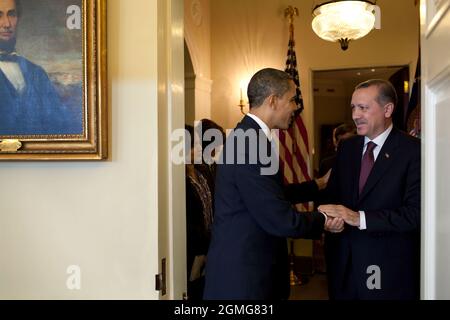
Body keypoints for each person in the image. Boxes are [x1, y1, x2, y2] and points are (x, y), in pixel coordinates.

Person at [203, 68, 343, 300]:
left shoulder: (250, 137)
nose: (296, 107)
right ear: (273, 100)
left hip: (250, 269)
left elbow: (270, 194)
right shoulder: (249, 144)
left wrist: (316, 185)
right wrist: (324, 219)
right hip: (244, 279)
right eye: (292, 99)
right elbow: (279, 218)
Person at [319, 79, 421, 300]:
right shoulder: (347, 147)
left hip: (387, 270)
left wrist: (359, 218)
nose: (355, 115)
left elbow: (415, 214)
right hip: (344, 266)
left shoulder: (413, 151)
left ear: (388, 109)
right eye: (353, 108)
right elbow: (334, 198)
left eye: (363, 108)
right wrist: (331, 221)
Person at [0, 0, 76, 136]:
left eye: (12, 15)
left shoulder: (37, 73)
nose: (7, 24)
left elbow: (60, 126)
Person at [185, 125, 214, 300]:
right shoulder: (178, 179)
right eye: (194, 145)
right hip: (193, 252)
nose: (200, 148)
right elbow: (187, 221)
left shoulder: (202, 172)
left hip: (210, 249)